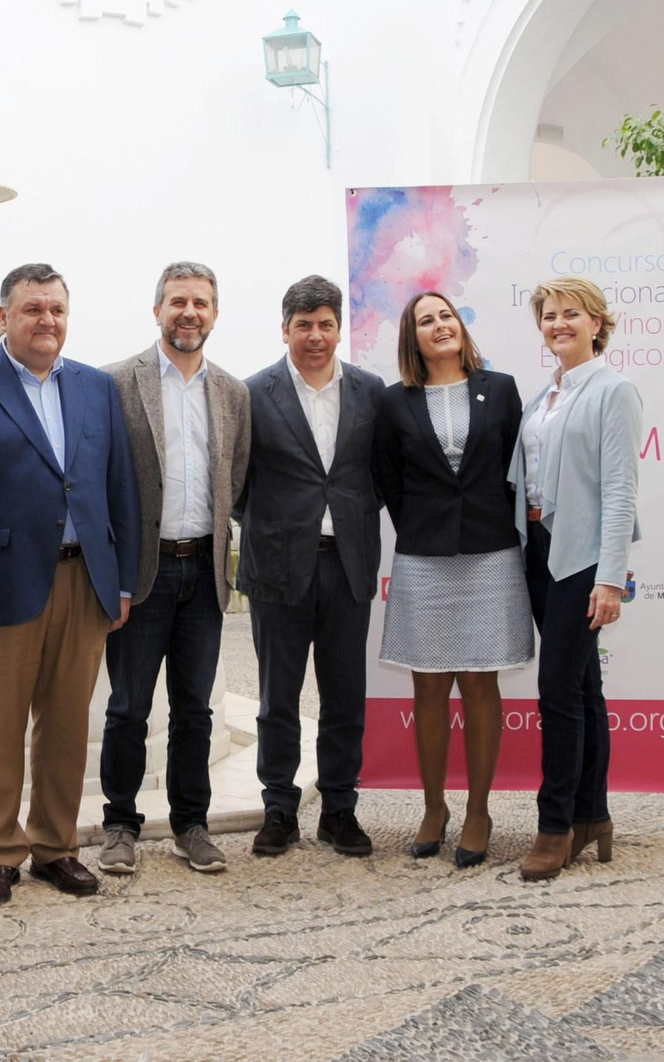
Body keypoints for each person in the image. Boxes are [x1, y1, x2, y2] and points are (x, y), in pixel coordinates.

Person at [0, 263, 140, 905]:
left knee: (69, 723)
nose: (46, 321)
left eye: (56, 310)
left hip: (84, 581)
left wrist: (121, 582)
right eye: (32, 309)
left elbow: (119, 489)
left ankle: (55, 847)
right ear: (4, 317)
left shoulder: (97, 389)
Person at [97, 262, 251, 876]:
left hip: (203, 573)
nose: (190, 312)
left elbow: (234, 478)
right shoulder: (114, 383)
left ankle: (192, 824)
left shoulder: (233, 393)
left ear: (215, 313)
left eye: (202, 303)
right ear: (156, 309)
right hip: (143, 575)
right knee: (128, 707)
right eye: (178, 301)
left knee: (195, 710)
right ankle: (120, 825)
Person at [375, 292, 532, 869]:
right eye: (425, 320)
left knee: (480, 682)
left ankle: (479, 810)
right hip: (424, 558)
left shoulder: (503, 388)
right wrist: (424, 525)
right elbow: (387, 480)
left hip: (491, 553)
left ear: (460, 327)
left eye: (446, 315)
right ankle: (434, 806)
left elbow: (519, 470)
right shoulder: (395, 403)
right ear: (412, 338)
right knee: (429, 687)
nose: (439, 325)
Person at [235, 275, 389, 859]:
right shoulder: (252, 393)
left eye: (326, 324)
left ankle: (339, 810)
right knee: (277, 697)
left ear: (339, 328)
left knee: (345, 694)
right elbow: (237, 484)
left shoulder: (372, 392)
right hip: (278, 567)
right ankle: (278, 808)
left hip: (347, 564)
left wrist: (343, 517)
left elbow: (378, 476)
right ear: (285, 330)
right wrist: (279, 524)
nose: (316, 335)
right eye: (304, 325)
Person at [508, 276, 643, 881]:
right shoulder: (547, 395)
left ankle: (555, 826)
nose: (558, 323)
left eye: (571, 313)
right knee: (585, 689)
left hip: (582, 556)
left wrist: (610, 579)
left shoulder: (613, 392)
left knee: (558, 691)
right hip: (539, 548)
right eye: (548, 315)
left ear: (597, 322)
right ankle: (594, 815)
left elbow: (619, 490)